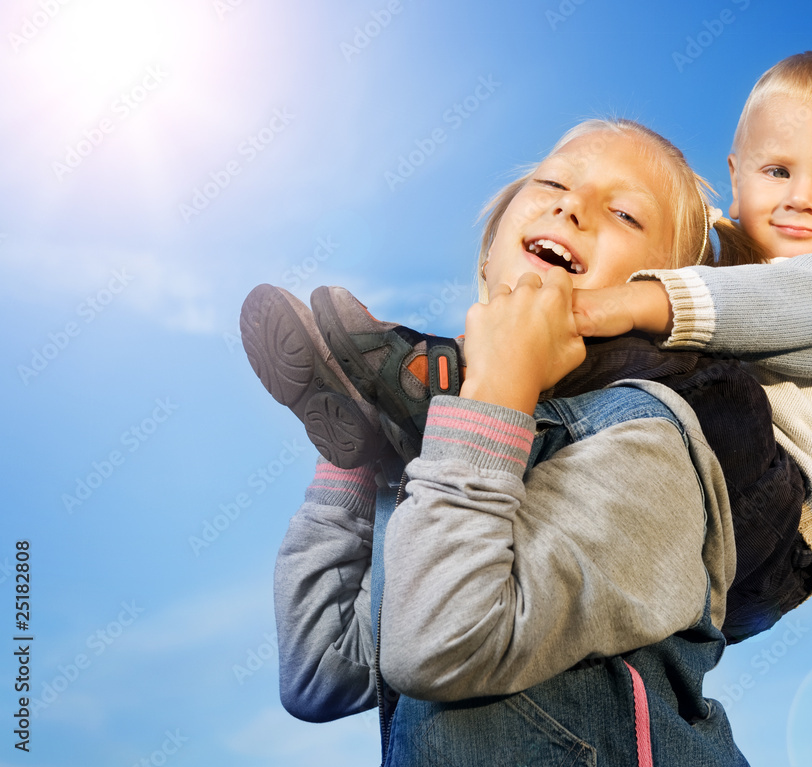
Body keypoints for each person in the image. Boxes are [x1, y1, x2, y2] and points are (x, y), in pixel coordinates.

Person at [272, 51, 812, 641]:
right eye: (777, 170)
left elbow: (770, 304)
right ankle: (405, 395)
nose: (801, 198)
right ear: (737, 177)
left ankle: (434, 382)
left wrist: (604, 303)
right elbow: (325, 671)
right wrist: (357, 470)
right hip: (703, 545)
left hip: (778, 525)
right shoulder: (727, 284)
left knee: (688, 375)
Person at [261, 121, 771, 765]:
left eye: (623, 213)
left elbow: (440, 645)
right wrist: (363, 455)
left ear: (654, 296)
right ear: (486, 255)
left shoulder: (650, 436)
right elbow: (322, 671)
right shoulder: (460, 449)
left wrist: (497, 386)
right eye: (552, 182)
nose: (571, 205)